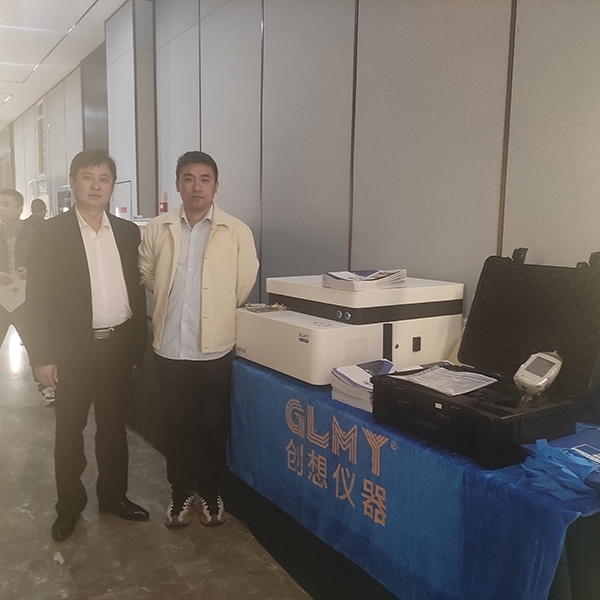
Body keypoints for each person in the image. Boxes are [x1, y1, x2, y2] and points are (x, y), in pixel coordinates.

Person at [26, 150, 150, 542]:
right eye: (87, 177)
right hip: (71, 350)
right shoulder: (50, 234)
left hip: (117, 346)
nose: (96, 186)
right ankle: (69, 506)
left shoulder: (128, 233)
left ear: (112, 186)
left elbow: (136, 293)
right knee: (70, 430)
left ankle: (113, 497)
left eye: (104, 179)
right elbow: (36, 298)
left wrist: (135, 348)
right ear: (72, 182)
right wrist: (42, 356)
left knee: (114, 428)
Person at [139, 151, 259, 528]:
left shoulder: (236, 231)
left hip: (215, 349)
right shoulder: (158, 228)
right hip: (170, 347)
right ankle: (180, 491)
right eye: (188, 179)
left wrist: (216, 310)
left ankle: (209, 490)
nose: (197, 186)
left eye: (205, 179)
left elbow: (244, 283)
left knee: (213, 423)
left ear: (216, 186)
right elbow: (146, 272)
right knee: (176, 423)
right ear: (178, 184)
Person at [0, 189, 34, 349]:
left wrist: (32, 272)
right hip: (1, 301)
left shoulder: (34, 234)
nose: (1, 208)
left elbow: (45, 263)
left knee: (36, 350)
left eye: (6, 204)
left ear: (20, 208)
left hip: (26, 301)